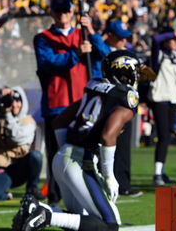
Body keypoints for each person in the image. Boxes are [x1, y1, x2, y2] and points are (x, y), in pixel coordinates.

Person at [14, 50, 141, 231]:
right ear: (124, 74)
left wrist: (65, 150)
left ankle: (35, 209)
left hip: (64, 158)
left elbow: (60, 121)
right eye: (134, 72)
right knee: (111, 225)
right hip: (79, 162)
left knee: (80, 219)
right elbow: (107, 136)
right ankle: (46, 215)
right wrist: (109, 176)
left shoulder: (95, 88)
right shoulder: (125, 97)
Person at [33, 0, 107, 208]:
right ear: (52, 13)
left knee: (86, 154)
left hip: (84, 105)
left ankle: (88, 196)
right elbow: (48, 63)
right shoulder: (43, 38)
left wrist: (92, 33)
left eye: (66, 10)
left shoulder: (83, 34)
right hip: (57, 105)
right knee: (58, 156)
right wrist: (76, 53)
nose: (62, 15)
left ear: (73, 12)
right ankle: (55, 199)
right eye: (58, 11)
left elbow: (104, 56)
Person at [0, 86, 45, 202]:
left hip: (21, 169)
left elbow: (15, 138)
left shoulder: (29, 122)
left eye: (18, 101)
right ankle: (6, 195)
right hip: (2, 168)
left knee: (36, 156)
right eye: (12, 101)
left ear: (23, 102)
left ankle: (32, 189)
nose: (14, 105)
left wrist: (7, 115)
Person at [100, 20, 142, 197]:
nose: (124, 41)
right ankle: (107, 180)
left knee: (124, 146)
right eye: (120, 38)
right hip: (109, 104)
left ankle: (123, 182)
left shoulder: (126, 53)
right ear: (109, 35)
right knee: (107, 142)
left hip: (125, 102)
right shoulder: (100, 50)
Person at [150, 27, 176, 186]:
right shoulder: (158, 54)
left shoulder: (175, 54)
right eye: (173, 40)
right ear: (166, 40)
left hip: (173, 100)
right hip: (160, 99)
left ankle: (161, 171)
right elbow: (155, 40)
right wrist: (173, 33)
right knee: (162, 136)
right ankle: (156, 174)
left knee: (166, 137)